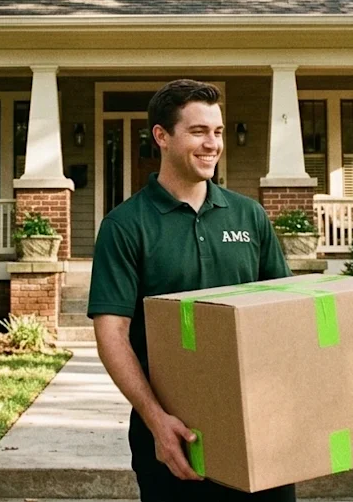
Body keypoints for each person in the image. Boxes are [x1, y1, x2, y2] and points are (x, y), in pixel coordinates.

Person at [88, 79, 296, 502]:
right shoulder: (126, 225)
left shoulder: (249, 216)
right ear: (161, 137)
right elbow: (112, 334)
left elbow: (285, 313)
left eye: (217, 132)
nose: (212, 144)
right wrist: (156, 421)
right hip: (174, 436)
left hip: (258, 423)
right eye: (198, 132)